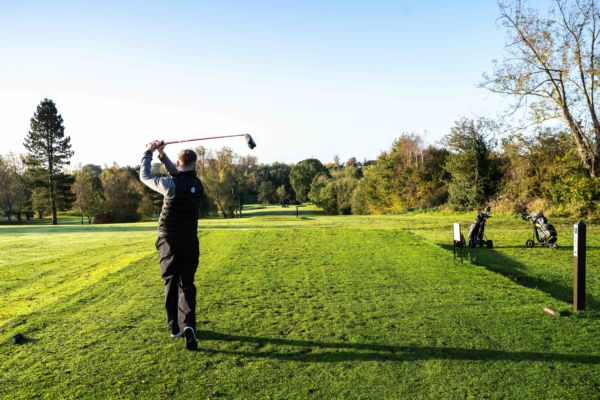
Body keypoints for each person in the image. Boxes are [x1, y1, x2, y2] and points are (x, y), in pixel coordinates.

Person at [139, 140, 204, 350]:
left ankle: (175, 328)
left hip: (169, 240)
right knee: (187, 284)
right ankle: (188, 325)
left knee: (170, 282)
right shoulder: (198, 185)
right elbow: (179, 174)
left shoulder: (170, 185)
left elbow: (145, 176)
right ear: (195, 164)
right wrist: (161, 154)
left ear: (178, 161)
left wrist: (148, 152)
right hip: (190, 242)